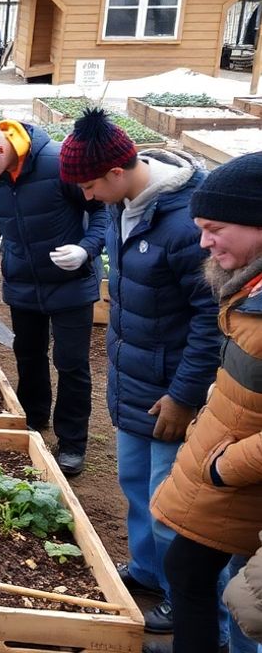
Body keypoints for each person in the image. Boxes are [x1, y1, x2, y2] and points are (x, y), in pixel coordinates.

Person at [58, 108, 221, 640]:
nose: (86, 198)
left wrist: (184, 396)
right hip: (134, 380)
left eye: (88, 186)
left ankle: (189, 602)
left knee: (174, 504)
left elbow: (210, 320)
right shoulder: (126, 207)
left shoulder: (181, 222)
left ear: (116, 173)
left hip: (173, 391)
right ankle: (148, 573)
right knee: (135, 485)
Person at [151, 153, 262, 653]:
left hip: (238, 472)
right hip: (229, 464)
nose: (203, 242)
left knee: (244, 600)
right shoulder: (248, 289)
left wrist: (226, 466)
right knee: (205, 578)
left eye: (215, 227)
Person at [0, 120, 109, 476]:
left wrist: (86, 250)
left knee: (71, 363)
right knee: (28, 353)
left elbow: (101, 211)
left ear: (0, 150)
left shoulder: (58, 162)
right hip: (23, 281)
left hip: (71, 281)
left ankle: (72, 442)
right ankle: (33, 416)